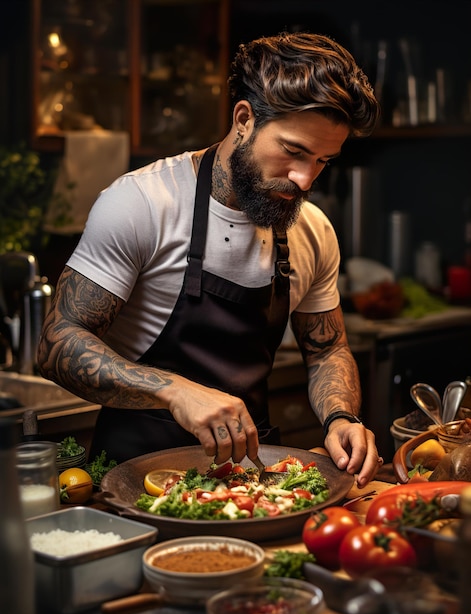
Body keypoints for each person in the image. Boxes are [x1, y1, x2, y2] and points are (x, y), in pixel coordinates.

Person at [38, 32, 383, 487]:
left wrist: (340, 418)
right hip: (132, 480)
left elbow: (327, 348)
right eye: (293, 151)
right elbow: (57, 343)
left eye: (323, 161)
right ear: (244, 119)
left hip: (252, 485)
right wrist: (173, 390)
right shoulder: (142, 203)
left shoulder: (312, 230)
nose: (303, 179)